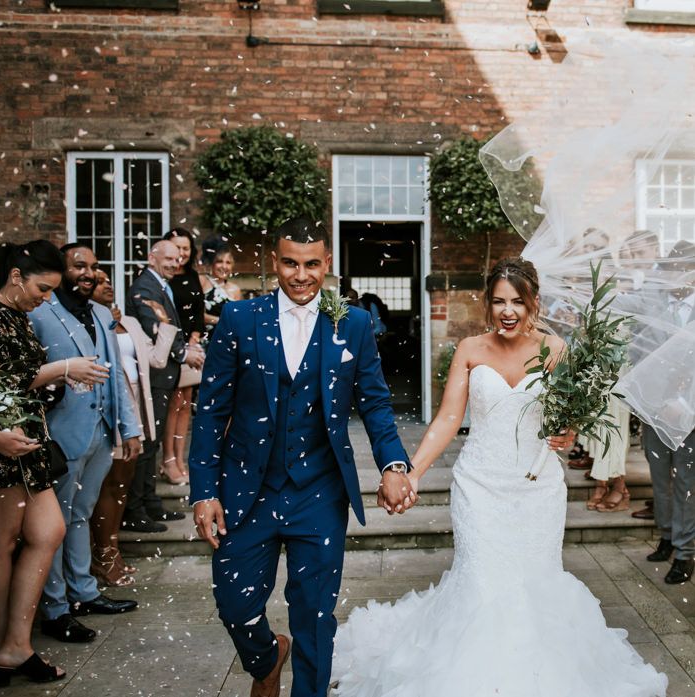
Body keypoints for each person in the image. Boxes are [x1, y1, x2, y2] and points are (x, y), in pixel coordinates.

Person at [331, 257, 667, 697]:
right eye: (498, 302)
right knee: (482, 581)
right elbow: (449, 418)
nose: (508, 311)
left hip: (537, 487)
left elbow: (568, 417)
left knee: (534, 582)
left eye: (517, 302)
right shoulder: (471, 350)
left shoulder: (557, 350)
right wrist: (411, 472)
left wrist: (569, 431)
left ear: (534, 304)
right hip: (479, 487)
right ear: (487, 304)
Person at [188, 218, 414, 697]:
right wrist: (204, 491)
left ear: (326, 264)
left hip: (319, 491)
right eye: (290, 262)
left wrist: (394, 465)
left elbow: (373, 401)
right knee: (235, 604)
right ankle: (268, 656)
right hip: (248, 488)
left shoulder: (351, 324)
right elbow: (210, 412)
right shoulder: (239, 320)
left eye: (312, 263)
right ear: (274, 263)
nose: (301, 274)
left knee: (313, 613)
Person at [0, 240, 88, 685]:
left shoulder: (17, 317)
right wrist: (62, 368)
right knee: (2, 546)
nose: (47, 297)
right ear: (16, 276)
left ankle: (16, 643)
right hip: (3, 445)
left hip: (31, 443)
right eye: (42, 287)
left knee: (48, 530)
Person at [29, 243, 141, 643]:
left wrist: (129, 427)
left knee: (82, 512)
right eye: (80, 265)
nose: (89, 273)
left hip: (100, 428)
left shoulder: (99, 313)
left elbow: (113, 377)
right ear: (62, 270)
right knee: (54, 523)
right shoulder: (40, 313)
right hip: (61, 431)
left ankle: (84, 592)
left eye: (94, 266)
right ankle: (55, 607)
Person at [89, 270, 178, 586]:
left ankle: (112, 550)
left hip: (138, 406)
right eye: (98, 282)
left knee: (122, 485)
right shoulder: (89, 322)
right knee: (106, 485)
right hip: (110, 409)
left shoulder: (132, 321)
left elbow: (156, 360)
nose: (106, 284)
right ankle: (101, 554)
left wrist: (165, 323)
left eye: (107, 279)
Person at [123, 240, 203, 532]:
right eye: (168, 258)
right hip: (154, 376)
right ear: (151, 257)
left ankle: (151, 504)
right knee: (147, 443)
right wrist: (183, 353)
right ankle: (135, 509)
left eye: (177, 258)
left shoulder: (160, 286)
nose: (174, 262)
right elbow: (154, 326)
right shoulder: (145, 287)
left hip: (163, 374)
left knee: (153, 442)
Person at [638, 240, 695, 583]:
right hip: (654, 409)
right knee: (660, 479)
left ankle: (686, 553)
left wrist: (686, 405)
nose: (676, 275)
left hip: (689, 414)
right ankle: (667, 535)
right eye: (672, 268)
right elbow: (640, 354)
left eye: (683, 268)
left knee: (686, 484)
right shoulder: (654, 306)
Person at [161, 228, 206, 484]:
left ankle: (179, 458)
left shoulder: (192, 276)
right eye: (177, 247)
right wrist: (181, 348)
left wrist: (194, 341)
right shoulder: (163, 278)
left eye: (186, 248)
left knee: (186, 404)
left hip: (191, 347)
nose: (181, 253)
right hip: (170, 349)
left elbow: (198, 311)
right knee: (172, 405)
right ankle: (167, 460)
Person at [200, 240, 242, 343]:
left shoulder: (235, 290)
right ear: (212, 264)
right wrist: (222, 321)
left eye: (228, 263)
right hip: (204, 340)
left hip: (227, 341)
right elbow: (197, 315)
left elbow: (237, 320)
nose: (224, 266)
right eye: (219, 261)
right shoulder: (202, 281)